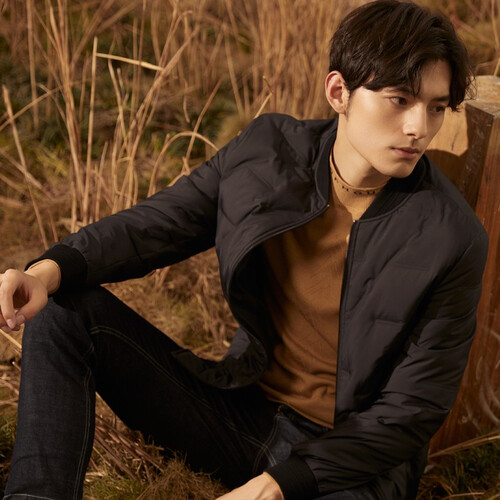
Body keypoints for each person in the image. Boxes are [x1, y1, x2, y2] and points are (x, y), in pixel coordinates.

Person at [0, 1, 489, 499]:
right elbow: (159, 224)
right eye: (400, 99)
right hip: (237, 413)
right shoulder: (269, 153)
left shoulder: (451, 237)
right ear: (338, 92)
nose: (418, 127)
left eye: (435, 107)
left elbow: (409, 413)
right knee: (60, 309)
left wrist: (279, 484)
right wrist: (46, 270)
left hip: (344, 467)